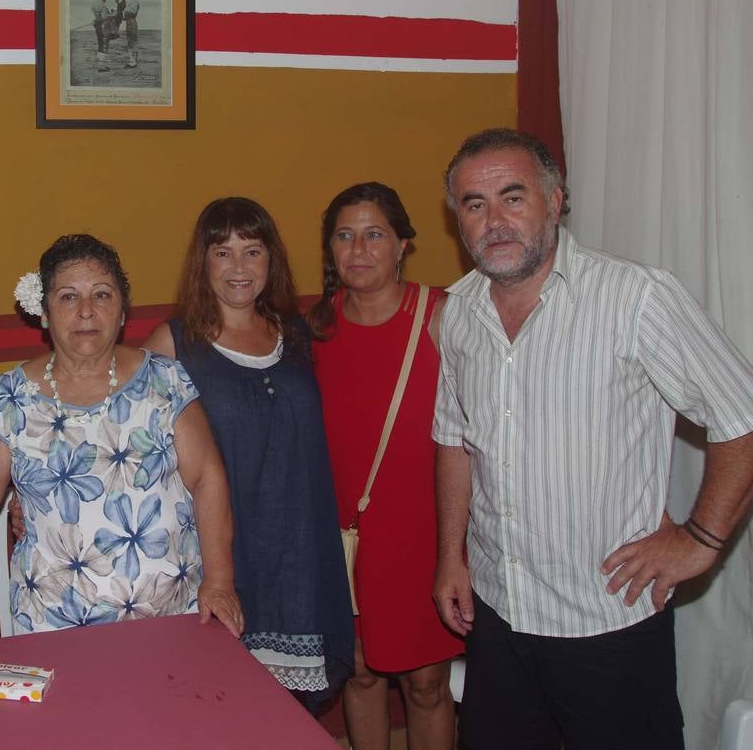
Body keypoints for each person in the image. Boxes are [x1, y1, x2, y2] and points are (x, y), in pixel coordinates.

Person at [433, 128, 753, 749]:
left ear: (555, 201)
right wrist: (452, 553)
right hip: (498, 614)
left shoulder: (637, 298)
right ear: (458, 221)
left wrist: (700, 539)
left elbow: (741, 415)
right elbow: (454, 439)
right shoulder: (460, 312)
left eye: (513, 197)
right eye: (474, 204)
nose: (494, 220)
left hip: (606, 620)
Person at [0, 234, 243, 641]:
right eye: (68, 298)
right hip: (55, 620)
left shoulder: (165, 380)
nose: (87, 312)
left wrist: (218, 581)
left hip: (172, 613)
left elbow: (208, 478)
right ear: (44, 312)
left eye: (102, 295)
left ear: (122, 310)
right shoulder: (9, 399)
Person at [144, 198, 354, 698]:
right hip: (222, 557)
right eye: (223, 252)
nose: (239, 267)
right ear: (203, 262)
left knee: (297, 713)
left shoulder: (299, 334)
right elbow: (127, 444)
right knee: (226, 706)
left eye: (253, 251)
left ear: (271, 260)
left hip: (302, 553)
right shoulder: (173, 344)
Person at [307, 183, 462, 749]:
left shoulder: (444, 316)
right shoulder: (316, 327)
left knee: (426, 683)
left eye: (375, 234)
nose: (359, 249)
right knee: (361, 669)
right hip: (344, 533)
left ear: (403, 245)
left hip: (425, 529)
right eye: (345, 236)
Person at [90, 0, 112, 72]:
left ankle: (100, 65)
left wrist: (96, 20)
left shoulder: (94, 4)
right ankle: (102, 66)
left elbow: (97, 16)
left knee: (100, 46)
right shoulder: (103, 5)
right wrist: (112, 15)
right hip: (104, 27)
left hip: (98, 27)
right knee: (104, 46)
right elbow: (104, 17)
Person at [120, 0, 141, 68]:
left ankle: (134, 62)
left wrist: (124, 9)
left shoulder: (134, 0)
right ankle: (131, 61)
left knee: (133, 42)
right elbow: (125, 16)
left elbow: (133, 12)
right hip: (128, 22)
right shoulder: (128, 1)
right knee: (129, 42)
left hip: (132, 22)